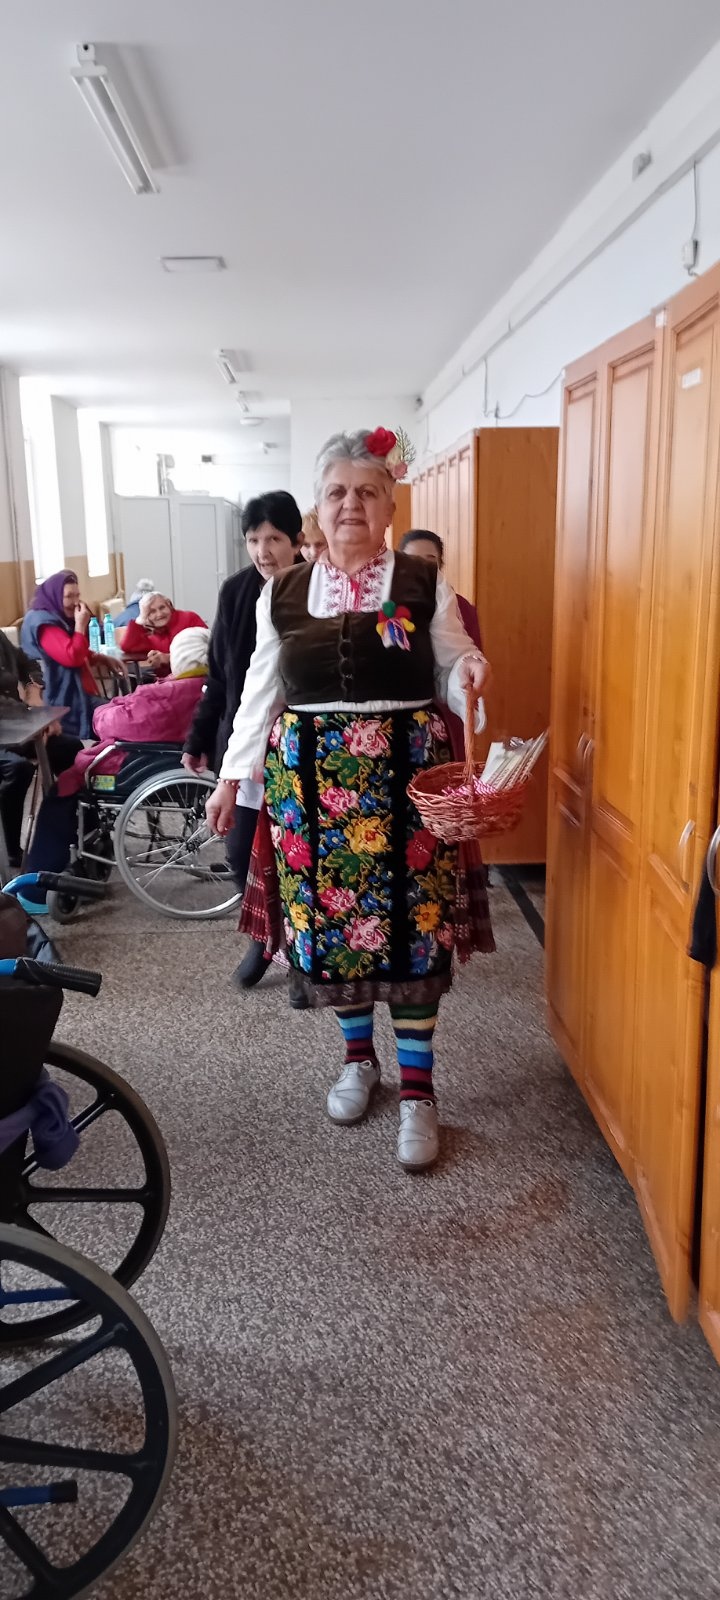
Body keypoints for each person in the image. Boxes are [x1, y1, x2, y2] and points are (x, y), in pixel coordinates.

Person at [207, 427, 494, 1171]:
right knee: (337, 934)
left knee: (413, 930)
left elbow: (452, 663)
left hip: (407, 784)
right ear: (318, 506)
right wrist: (232, 779)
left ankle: (420, 1092)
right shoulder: (281, 592)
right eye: (337, 492)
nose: (351, 505)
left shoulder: (423, 582)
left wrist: (469, 672)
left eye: (367, 492)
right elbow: (259, 692)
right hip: (309, 787)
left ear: (391, 506)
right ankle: (359, 1061)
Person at [182, 490, 304, 990]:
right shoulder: (236, 591)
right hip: (245, 743)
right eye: (254, 540)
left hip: (298, 746)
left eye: (273, 538)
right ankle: (262, 937)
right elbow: (219, 674)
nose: (262, 551)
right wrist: (198, 737)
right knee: (238, 850)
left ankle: (299, 952)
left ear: (296, 540)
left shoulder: (314, 589)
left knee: (296, 856)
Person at [25, 628, 211, 888]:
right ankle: (89, 841)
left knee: (62, 792)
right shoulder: (211, 690)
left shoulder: (164, 694)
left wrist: (111, 706)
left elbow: (107, 723)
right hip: (182, 769)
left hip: (129, 771)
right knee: (71, 756)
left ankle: (39, 882)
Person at [20, 570, 125, 738]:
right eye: (69, 596)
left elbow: (72, 650)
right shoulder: (44, 624)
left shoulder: (57, 617)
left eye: (77, 595)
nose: (76, 602)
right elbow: (71, 657)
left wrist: (100, 658)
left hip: (76, 693)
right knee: (118, 720)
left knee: (118, 713)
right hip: (59, 698)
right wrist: (80, 626)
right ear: (55, 596)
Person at [398, 530, 482, 647]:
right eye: (412, 559)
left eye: (430, 559)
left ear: (440, 565)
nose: (422, 565)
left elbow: (475, 652)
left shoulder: (462, 607)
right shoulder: (388, 604)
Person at [120, 593, 207, 676]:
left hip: (197, 675)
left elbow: (206, 649)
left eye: (162, 607)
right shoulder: (150, 635)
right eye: (152, 612)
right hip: (167, 680)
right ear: (147, 616)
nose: (159, 614)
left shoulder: (189, 618)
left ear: (169, 606)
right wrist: (139, 621)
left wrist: (168, 658)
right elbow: (127, 646)